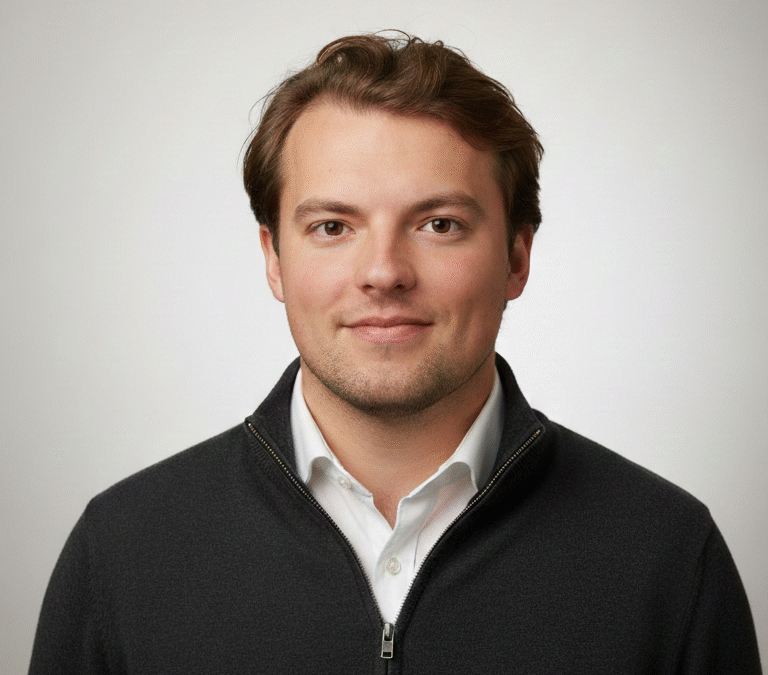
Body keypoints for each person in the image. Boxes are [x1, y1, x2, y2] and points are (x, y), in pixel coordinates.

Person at [29, 32, 761, 674]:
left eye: (439, 224)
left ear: (516, 257)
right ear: (273, 259)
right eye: (332, 226)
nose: (383, 272)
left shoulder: (669, 557)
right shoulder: (123, 551)